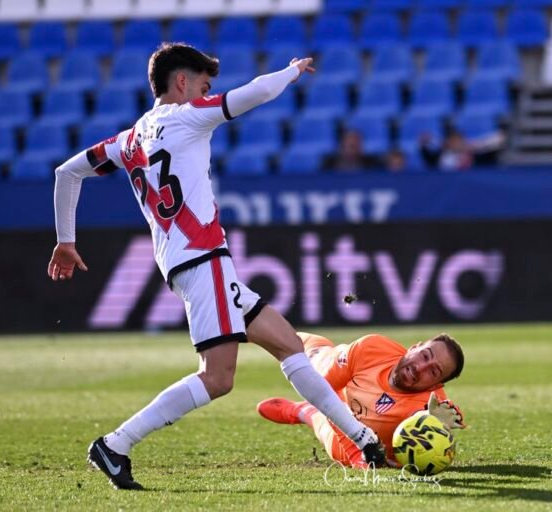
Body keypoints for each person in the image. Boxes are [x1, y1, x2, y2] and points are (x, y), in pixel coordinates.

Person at [46, 43, 386, 490]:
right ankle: (115, 444)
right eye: (203, 84)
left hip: (193, 262)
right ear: (181, 83)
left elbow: (66, 174)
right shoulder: (186, 115)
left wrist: (65, 241)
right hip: (201, 259)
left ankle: (364, 440)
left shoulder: (127, 141)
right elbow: (252, 95)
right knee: (218, 378)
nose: (208, 91)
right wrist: (289, 71)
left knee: (289, 346)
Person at [257, 331, 466, 468]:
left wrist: (435, 427)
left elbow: (430, 421)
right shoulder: (371, 348)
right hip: (339, 384)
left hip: (348, 425)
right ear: (413, 347)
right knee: (313, 360)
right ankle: (269, 326)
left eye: (433, 371)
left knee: (332, 442)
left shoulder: (431, 407)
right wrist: (355, 453)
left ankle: (302, 412)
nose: (420, 367)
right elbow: (323, 392)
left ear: (436, 386)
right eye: (425, 355)